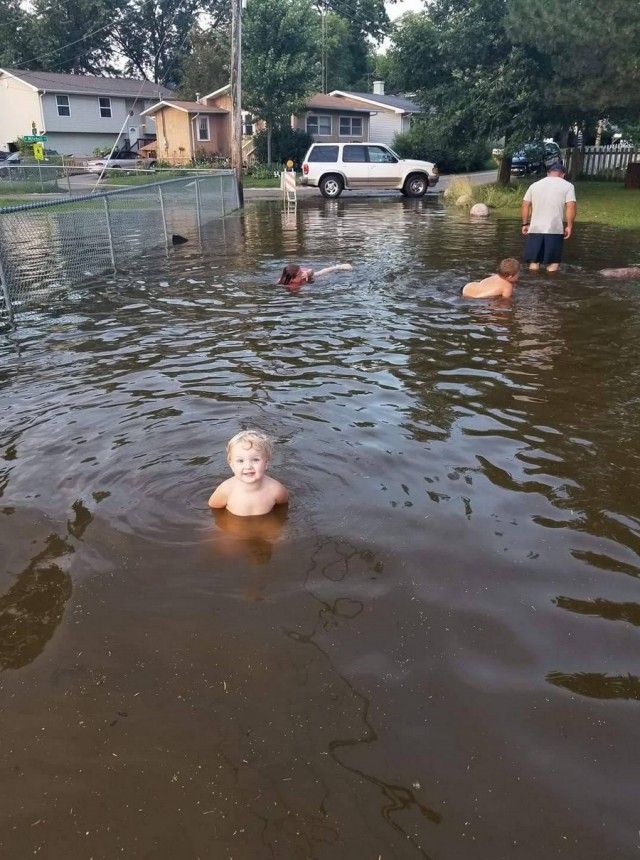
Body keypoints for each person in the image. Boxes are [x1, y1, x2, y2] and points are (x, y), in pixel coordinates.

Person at [208, 429, 289, 517]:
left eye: (255, 460)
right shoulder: (226, 490)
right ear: (232, 465)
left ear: (266, 463)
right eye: (240, 461)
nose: (248, 466)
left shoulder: (276, 490)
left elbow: (283, 508)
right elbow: (213, 509)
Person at [521, 162, 576, 272]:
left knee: (534, 261)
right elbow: (571, 206)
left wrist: (525, 224)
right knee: (553, 261)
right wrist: (569, 226)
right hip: (554, 229)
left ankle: (532, 283)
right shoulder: (568, 186)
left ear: (548, 173)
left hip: (535, 228)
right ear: (563, 174)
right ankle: (550, 284)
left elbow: (525, 205)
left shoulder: (535, 185)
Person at [276, 263, 353, 287]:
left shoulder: (301, 273)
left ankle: (338, 267)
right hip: (303, 282)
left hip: (309, 277)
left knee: (320, 273)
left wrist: (307, 273)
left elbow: (311, 270)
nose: (302, 273)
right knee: (325, 278)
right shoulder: (282, 282)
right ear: (291, 279)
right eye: (300, 274)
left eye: (301, 271)